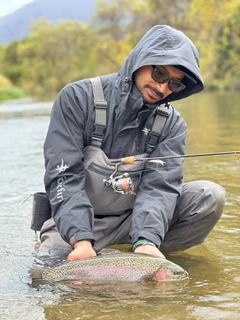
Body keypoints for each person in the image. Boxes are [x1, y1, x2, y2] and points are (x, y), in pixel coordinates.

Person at [38, 25, 226, 261]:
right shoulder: (77, 98)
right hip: (81, 223)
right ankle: (89, 250)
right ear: (141, 60)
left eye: (174, 84)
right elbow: (64, 176)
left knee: (209, 196)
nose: (162, 88)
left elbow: (160, 186)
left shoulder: (173, 124)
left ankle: (145, 253)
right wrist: (81, 240)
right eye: (159, 75)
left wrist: (147, 239)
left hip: (134, 218)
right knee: (48, 274)